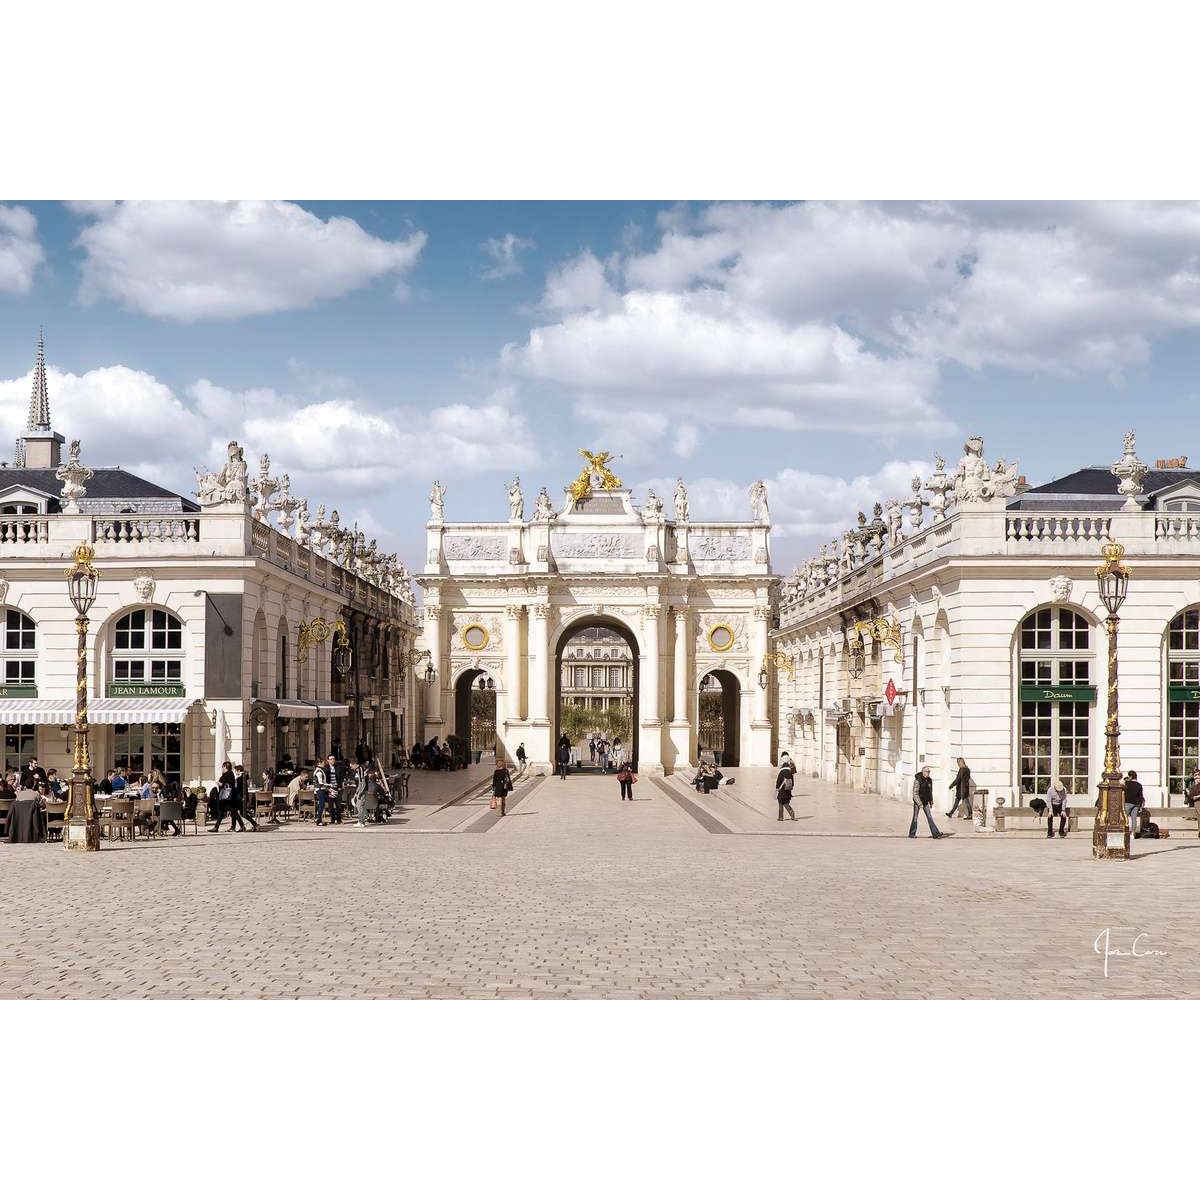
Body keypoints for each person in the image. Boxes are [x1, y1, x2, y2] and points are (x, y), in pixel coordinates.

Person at [909, 766, 943, 838]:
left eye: (929, 771)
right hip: (918, 801)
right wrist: (919, 804)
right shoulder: (918, 780)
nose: (928, 773)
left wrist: (931, 801)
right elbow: (915, 793)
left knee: (929, 817)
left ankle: (935, 833)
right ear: (923, 772)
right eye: (927, 771)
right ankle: (912, 833)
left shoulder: (929, 780)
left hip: (926, 801)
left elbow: (930, 792)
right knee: (915, 817)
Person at [210, 761, 239, 832]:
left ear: (225, 767)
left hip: (227, 797)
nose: (222, 768)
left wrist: (220, 784)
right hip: (226, 797)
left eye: (223, 767)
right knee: (227, 811)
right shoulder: (228, 774)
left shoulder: (229, 774)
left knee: (232, 811)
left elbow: (228, 784)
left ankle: (237, 826)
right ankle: (217, 827)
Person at [312, 754, 336, 825]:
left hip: (321, 789)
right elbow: (321, 783)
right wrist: (330, 785)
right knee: (321, 804)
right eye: (322, 762)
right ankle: (318, 819)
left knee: (322, 804)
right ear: (319, 763)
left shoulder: (319, 770)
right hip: (320, 790)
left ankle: (319, 818)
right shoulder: (319, 772)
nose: (324, 763)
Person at [233, 764, 258, 830]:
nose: (235, 772)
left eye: (235, 771)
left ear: (238, 771)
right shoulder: (244, 777)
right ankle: (252, 824)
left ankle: (245, 825)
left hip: (240, 798)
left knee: (236, 812)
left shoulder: (240, 778)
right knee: (242, 813)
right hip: (243, 798)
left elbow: (238, 789)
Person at [1124, 770, 1145, 837]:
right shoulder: (1139, 785)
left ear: (1130, 776)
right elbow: (1141, 796)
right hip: (1136, 803)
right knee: (1134, 818)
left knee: (1125, 817)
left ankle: (1125, 831)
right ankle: (1133, 833)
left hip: (1128, 802)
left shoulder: (1127, 783)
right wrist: (1141, 805)